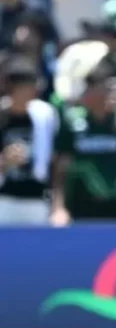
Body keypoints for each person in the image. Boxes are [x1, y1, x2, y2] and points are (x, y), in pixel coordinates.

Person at [51, 62, 116, 224]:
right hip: (82, 205)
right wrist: (58, 207)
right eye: (106, 88)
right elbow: (61, 169)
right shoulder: (72, 121)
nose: (110, 94)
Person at [0, 59, 58, 225]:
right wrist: (5, 161)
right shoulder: (2, 117)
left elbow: (55, 160)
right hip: (5, 199)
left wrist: (56, 205)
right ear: (12, 88)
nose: (33, 91)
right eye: (26, 86)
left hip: (37, 198)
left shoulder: (45, 116)